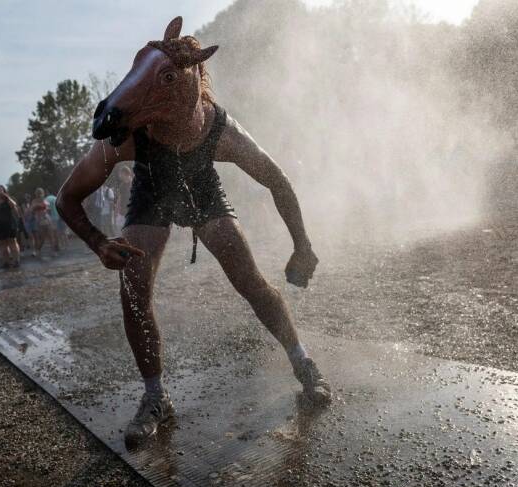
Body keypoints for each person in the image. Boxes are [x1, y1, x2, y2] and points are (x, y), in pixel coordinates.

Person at [57, 18, 329, 446]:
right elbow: (66, 197)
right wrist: (98, 242)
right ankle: (155, 396)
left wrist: (303, 246)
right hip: (152, 191)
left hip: (202, 192)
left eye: (165, 78)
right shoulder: (128, 139)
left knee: (251, 282)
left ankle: (303, 361)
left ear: (184, 86)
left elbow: (277, 180)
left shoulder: (219, 130)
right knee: (133, 288)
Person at [0, 185, 21, 268]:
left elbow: (14, 205)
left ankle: (16, 260)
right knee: (2, 244)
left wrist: (6, 196)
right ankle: (6, 262)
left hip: (9, 223)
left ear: (4, 191)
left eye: (1, 190)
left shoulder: (8, 199)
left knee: (12, 242)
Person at [31, 187, 58, 256]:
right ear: (36, 194)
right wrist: (41, 206)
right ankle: (38, 250)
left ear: (43, 193)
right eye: (38, 193)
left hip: (47, 219)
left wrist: (46, 209)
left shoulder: (45, 200)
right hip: (39, 220)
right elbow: (33, 209)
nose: (39, 194)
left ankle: (53, 251)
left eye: (40, 193)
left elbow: (48, 209)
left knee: (51, 236)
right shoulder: (34, 201)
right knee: (42, 238)